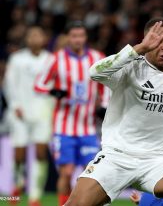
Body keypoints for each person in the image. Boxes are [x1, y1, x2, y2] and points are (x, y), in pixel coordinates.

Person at [65, 17, 163, 206]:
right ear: (146, 41)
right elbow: (95, 72)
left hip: (159, 161)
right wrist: (137, 49)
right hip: (118, 157)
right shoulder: (130, 67)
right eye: (158, 41)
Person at [34, 21, 109, 206]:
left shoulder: (96, 57)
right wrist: (54, 92)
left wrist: (105, 105)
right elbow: (39, 85)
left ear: (85, 38)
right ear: (68, 38)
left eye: (81, 36)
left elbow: (107, 83)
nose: (78, 40)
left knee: (92, 174)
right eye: (74, 36)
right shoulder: (56, 59)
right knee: (66, 172)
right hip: (63, 126)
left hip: (88, 128)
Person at [3, 27, 54, 206]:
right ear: (27, 38)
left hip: (42, 113)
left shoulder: (50, 60)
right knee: (19, 156)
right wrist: (15, 105)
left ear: (44, 39)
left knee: (41, 154)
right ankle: (18, 183)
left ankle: (34, 196)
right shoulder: (17, 59)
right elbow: (9, 83)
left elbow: (53, 86)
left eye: (38, 34)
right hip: (20, 113)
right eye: (31, 34)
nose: (35, 38)